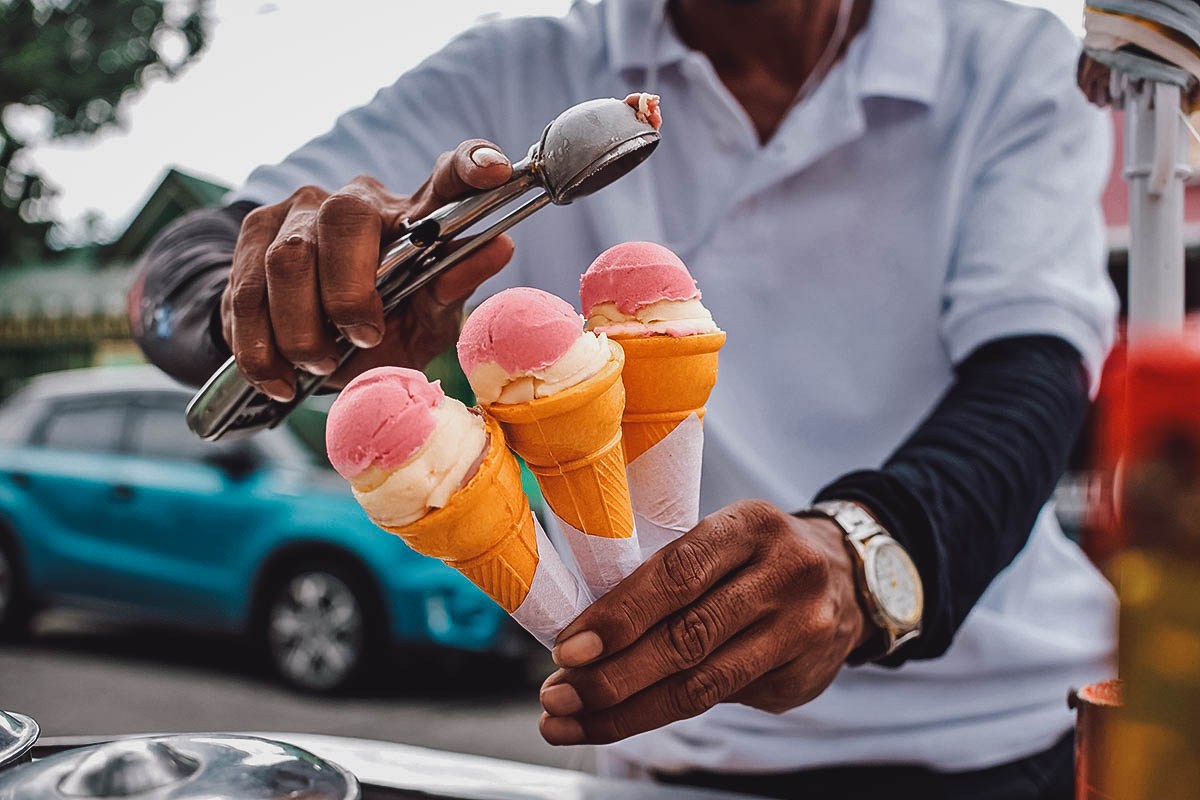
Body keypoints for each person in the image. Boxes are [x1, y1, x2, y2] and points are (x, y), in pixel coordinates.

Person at [130, 1, 1118, 797]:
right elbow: (173, 283)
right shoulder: (520, 71)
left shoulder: (1011, 58)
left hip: (1001, 737)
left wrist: (865, 554)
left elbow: (1035, 378)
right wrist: (298, 291)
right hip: (675, 754)